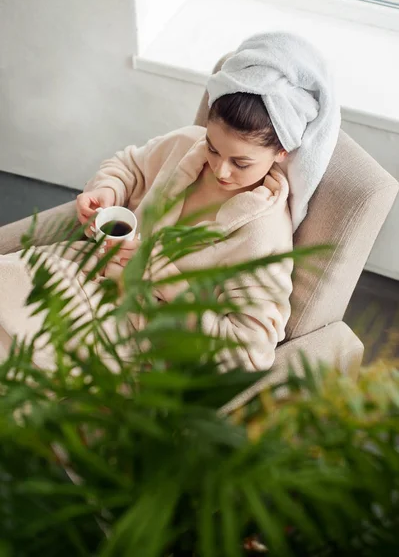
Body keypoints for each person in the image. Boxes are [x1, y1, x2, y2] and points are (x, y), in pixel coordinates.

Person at [0, 32, 340, 371]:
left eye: (241, 162)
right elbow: (129, 165)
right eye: (213, 146)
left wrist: (167, 280)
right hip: (82, 268)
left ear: (282, 152)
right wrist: (108, 190)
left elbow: (251, 352)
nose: (220, 169)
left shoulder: (264, 235)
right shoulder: (186, 145)